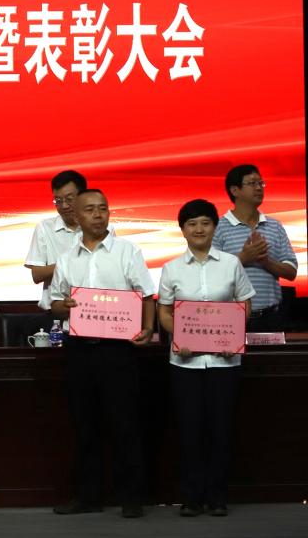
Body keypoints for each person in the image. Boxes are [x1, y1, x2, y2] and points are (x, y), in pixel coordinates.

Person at [49, 189, 155, 519]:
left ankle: (132, 497)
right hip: (80, 349)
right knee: (84, 425)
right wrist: (65, 305)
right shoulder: (67, 257)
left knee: (125, 423)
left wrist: (148, 328)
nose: (98, 215)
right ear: (76, 216)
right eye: (90, 210)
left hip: (118, 350)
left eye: (103, 208)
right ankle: (87, 496)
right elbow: (54, 302)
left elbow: (146, 294)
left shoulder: (127, 251)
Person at [158, 199, 255, 517]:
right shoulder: (172, 268)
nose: (198, 229)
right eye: (192, 224)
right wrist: (180, 336)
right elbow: (164, 312)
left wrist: (233, 337)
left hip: (225, 362)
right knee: (189, 430)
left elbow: (244, 304)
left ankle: (217, 497)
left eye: (205, 223)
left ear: (214, 227)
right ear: (182, 230)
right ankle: (191, 497)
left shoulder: (231, 264)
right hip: (185, 364)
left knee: (221, 429)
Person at [212, 164, 297, 332]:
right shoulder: (218, 227)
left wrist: (266, 262)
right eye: (252, 183)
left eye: (261, 183)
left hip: (271, 318)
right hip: (231, 317)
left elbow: (291, 271)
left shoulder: (274, 226)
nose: (259, 188)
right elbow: (210, 272)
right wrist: (243, 258)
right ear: (235, 190)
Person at [25, 170, 87, 309]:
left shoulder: (101, 228)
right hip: (56, 312)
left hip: (92, 309)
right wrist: (69, 263)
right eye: (58, 201)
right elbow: (37, 275)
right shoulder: (45, 228)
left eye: (69, 199)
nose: (63, 206)